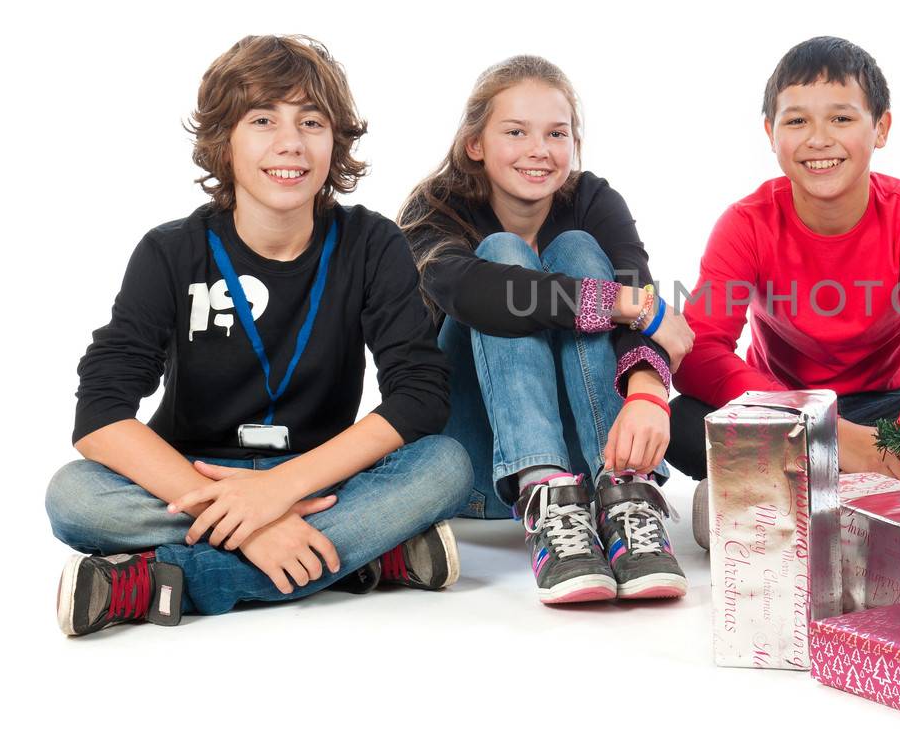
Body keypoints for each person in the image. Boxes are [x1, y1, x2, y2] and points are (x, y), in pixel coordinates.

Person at [47, 35, 470, 637]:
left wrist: (278, 492)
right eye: (263, 119)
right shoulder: (170, 251)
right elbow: (99, 415)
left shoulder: (372, 243)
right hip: (191, 477)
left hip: (317, 476)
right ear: (225, 141)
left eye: (312, 121)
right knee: (73, 496)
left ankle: (164, 581)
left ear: (334, 140)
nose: (290, 142)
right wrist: (253, 518)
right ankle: (366, 553)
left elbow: (421, 395)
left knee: (446, 465)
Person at [399, 56, 691, 604]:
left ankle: (626, 492)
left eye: (556, 133)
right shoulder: (434, 209)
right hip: (483, 467)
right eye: (516, 132)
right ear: (475, 144)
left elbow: (639, 292)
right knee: (500, 256)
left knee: (579, 246)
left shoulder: (590, 199)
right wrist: (623, 303)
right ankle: (544, 496)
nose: (540, 150)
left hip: (592, 454)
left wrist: (650, 393)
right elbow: (473, 292)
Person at [665, 36, 900, 545]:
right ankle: (861, 497)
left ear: (881, 128)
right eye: (797, 121)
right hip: (782, 406)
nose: (818, 139)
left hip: (889, 409)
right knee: (682, 422)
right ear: (770, 132)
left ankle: (767, 502)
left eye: (842, 119)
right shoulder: (746, 224)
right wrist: (824, 432)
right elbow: (699, 354)